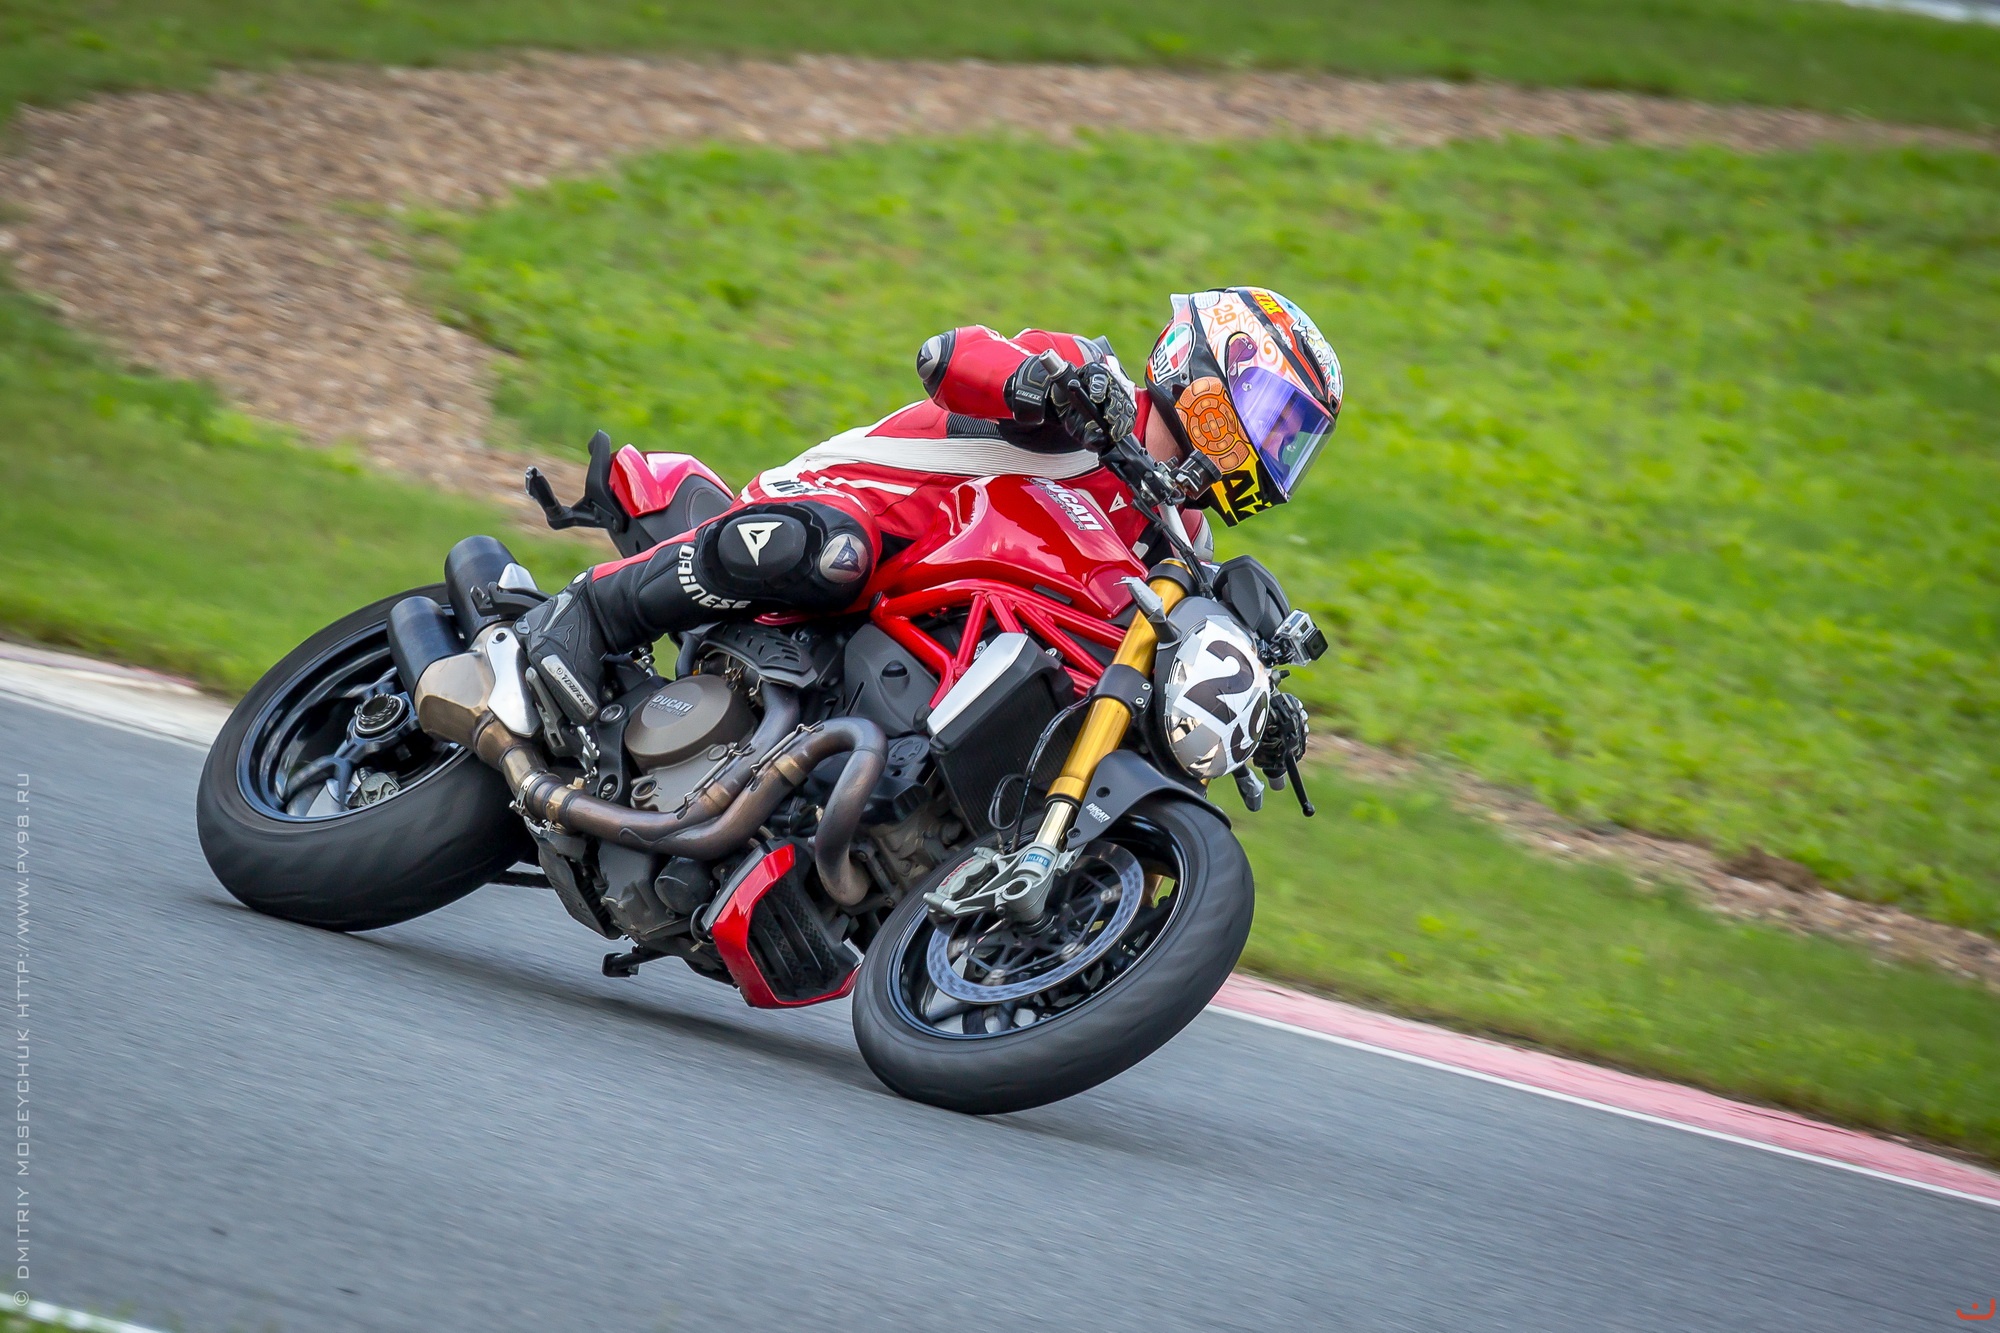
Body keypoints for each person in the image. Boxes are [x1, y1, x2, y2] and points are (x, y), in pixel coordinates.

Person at [518, 287, 1343, 725]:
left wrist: (1254, 713)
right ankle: (587, 612)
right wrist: (1037, 382)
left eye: (1291, 438)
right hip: (867, 515)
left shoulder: (1179, 543)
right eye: (1270, 413)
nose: (1269, 445)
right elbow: (948, 357)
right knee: (834, 552)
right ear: (1206, 365)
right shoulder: (1096, 389)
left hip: (938, 629)